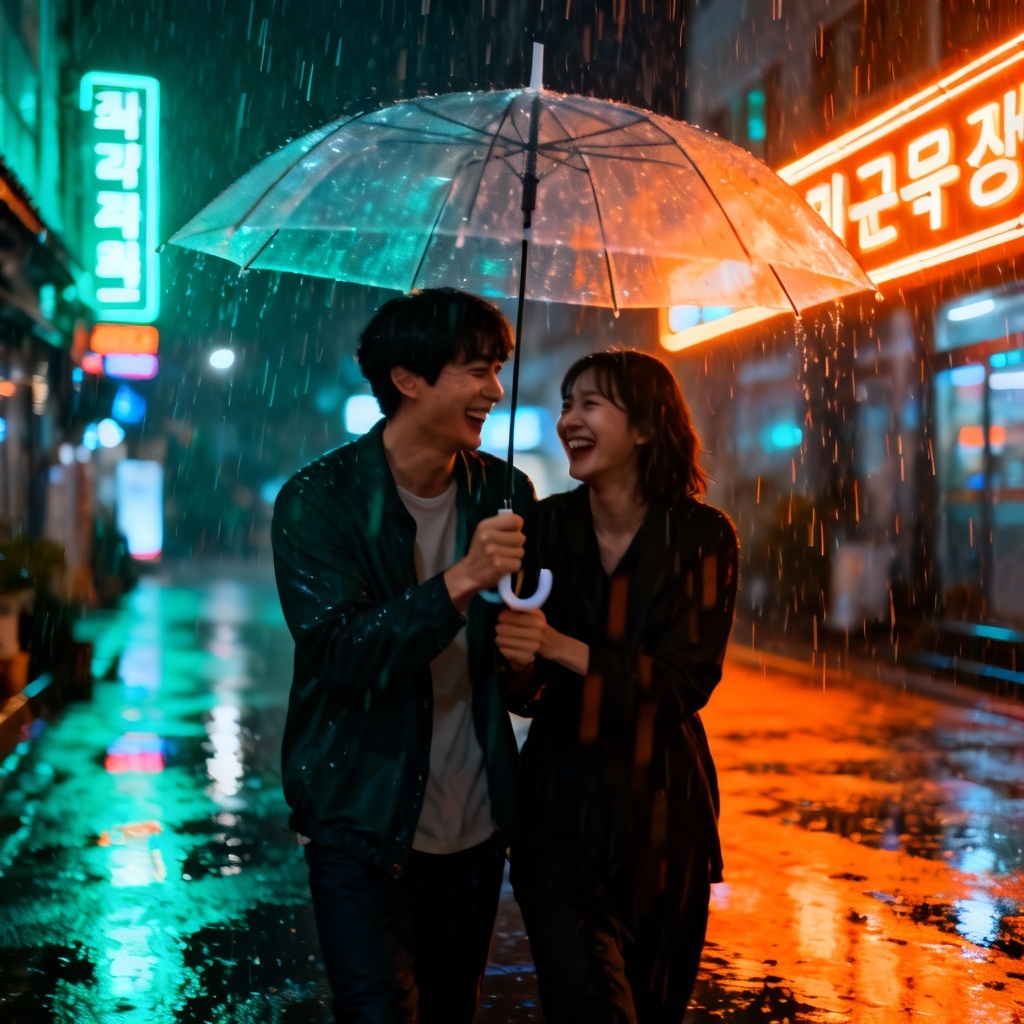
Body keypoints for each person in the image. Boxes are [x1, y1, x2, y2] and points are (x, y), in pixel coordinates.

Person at [272, 288, 536, 1024]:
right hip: (361, 816)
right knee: (379, 1012)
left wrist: (524, 663)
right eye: (477, 370)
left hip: (476, 822)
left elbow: (518, 680)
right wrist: (461, 579)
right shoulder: (318, 499)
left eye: (498, 369)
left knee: (453, 1009)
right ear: (408, 379)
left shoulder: (507, 493)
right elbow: (342, 653)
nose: (494, 390)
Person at [495, 349, 738, 1023]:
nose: (568, 418)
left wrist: (557, 646)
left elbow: (681, 685)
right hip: (557, 811)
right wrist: (518, 662)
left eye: (590, 404)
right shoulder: (543, 528)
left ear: (644, 426)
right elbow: (524, 691)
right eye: (566, 403)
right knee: (589, 1007)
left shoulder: (702, 536)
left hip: (665, 817)